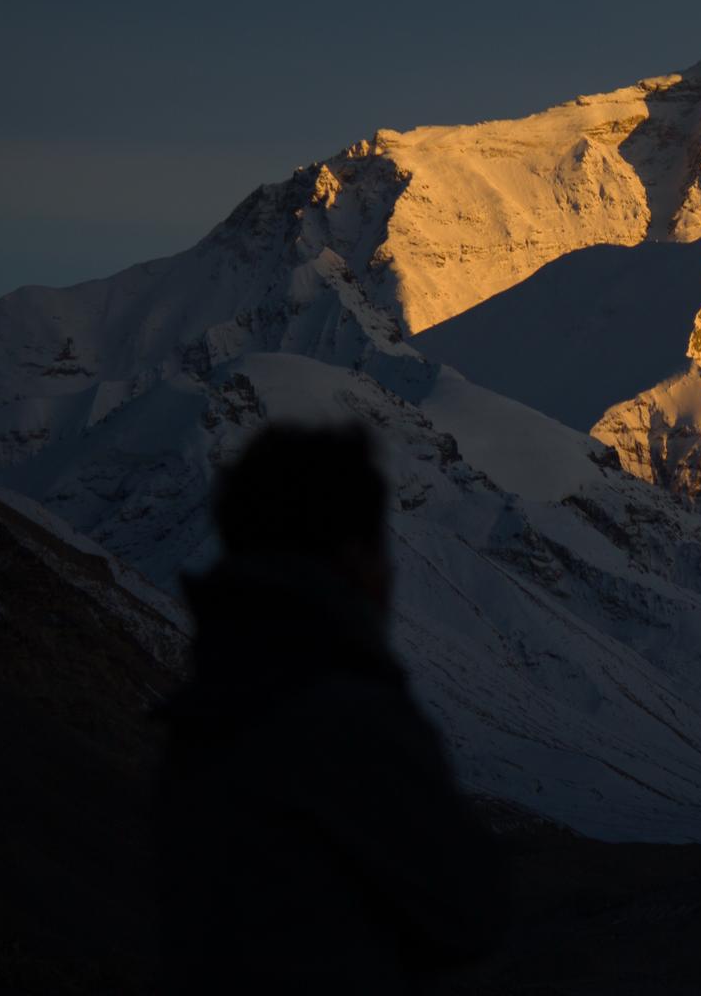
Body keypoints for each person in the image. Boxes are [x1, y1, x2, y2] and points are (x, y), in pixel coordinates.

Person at [155, 423, 505, 993]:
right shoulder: (345, 716)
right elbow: (470, 909)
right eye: (379, 545)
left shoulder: (205, 709)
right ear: (353, 555)